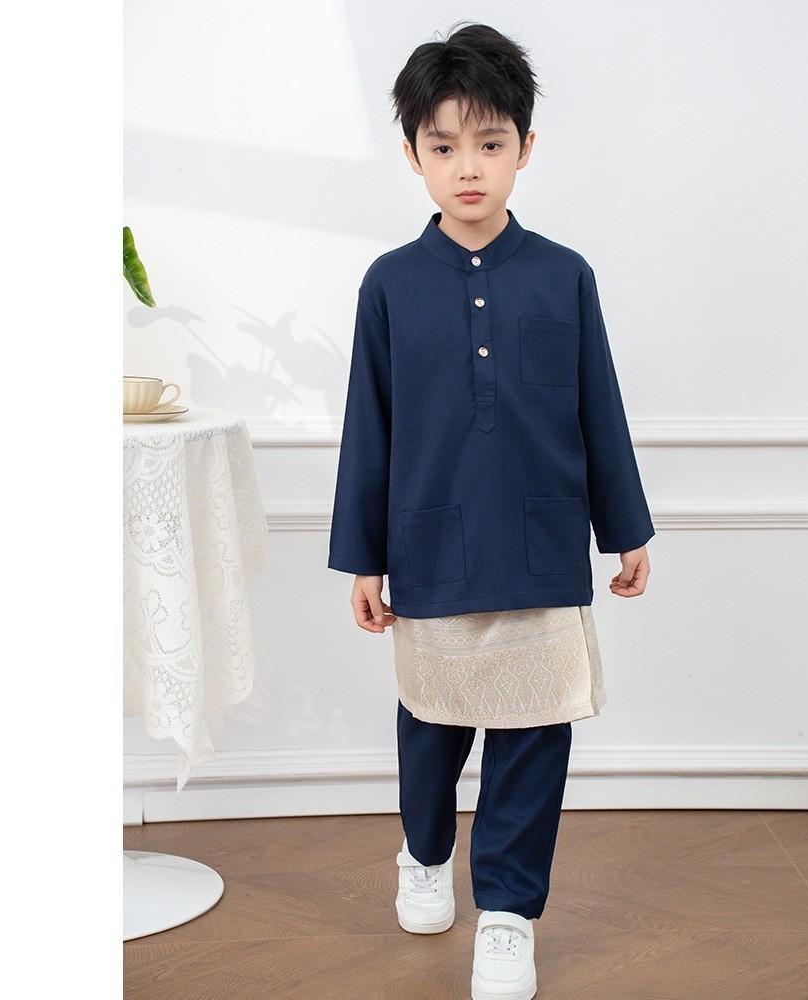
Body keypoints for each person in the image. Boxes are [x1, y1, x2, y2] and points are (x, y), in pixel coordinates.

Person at [327, 21, 654, 1000]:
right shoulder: (389, 285)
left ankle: (508, 913)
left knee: (535, 732)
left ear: (525, 147)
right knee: (432, 727)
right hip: (429, 548)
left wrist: (625, 530)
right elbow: (369, 426)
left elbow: (598, 408)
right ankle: (425, 852)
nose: (467, 167)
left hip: (541, 544)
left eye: (489, 142)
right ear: (412, 155)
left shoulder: (564, 275)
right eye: (443, 146)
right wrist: (364, 556)